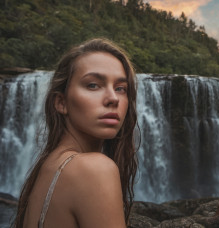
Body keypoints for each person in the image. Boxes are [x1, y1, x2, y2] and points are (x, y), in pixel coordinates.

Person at [12, 38, 138, 228]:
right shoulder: (93, 169)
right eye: (93, 85)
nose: (113, 99)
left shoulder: (48, 165)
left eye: (121, 88)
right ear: (61, 102)